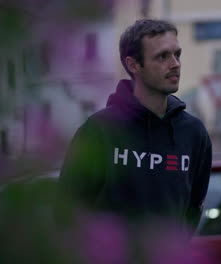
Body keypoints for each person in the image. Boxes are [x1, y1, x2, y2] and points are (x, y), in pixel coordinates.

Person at [57, 19, 212, 231]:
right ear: (133, 65)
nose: (175, 63)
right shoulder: (99, 130)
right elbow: (67, 211)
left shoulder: (194, 133)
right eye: (162, 56)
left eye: (177, 54)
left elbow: (193, 209)